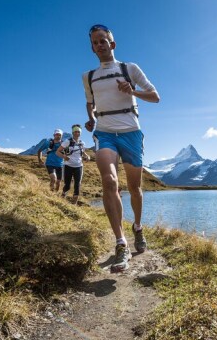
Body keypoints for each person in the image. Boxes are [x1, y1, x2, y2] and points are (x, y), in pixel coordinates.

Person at [82, 24, 160, 273]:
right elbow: (89, 101)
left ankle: (137, 226)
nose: (99, 45)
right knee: (109, 182)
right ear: (92, 47)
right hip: (105, 133)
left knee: (135, 189)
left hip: (131, 133)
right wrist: (92, 119)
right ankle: (120, 243)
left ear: (112, 44)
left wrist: (132, 90)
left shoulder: (130, 69)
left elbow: (155, 96)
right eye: (95, 42)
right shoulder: (89, 76)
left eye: (103, 40)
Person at [56, 124, 90, 204]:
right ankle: (63, 196)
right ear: (72, 132)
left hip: (79, 166)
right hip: (68, 166)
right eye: (75, 132)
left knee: (77, 185)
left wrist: (87, 156)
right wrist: (64, 157)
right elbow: (57, 152)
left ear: (80, 133)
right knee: (67, 185)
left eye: (78, 132)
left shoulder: (82, 143)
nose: (77, 133)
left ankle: (73, 205)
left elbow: (83, 152)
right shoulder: (67, 141)